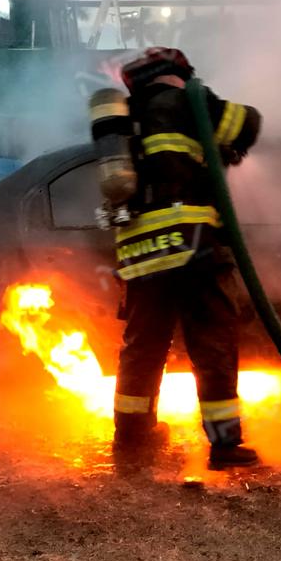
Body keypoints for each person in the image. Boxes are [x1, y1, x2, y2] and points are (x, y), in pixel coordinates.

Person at [109, 47, 263, 469]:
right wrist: (201, 97)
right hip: (191, 245)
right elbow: (247, 123)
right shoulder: (186, 101)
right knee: (212, 343)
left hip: (142, 253)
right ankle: (225, 445)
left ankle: (130, 440)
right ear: (174, 74)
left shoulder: (123, 120)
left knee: (143, 347)